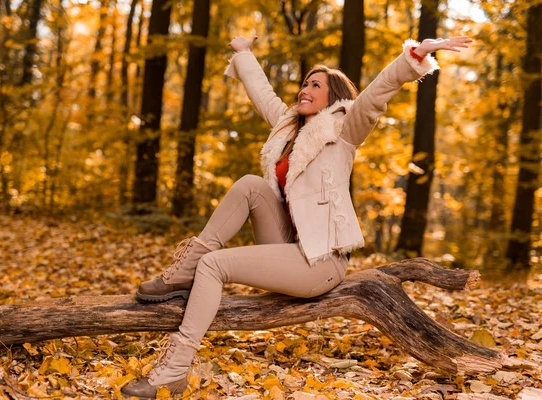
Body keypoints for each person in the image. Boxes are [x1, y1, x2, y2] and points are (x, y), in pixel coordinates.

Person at [122, 34, 473, 398]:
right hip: (289, 248)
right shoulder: (288, 129)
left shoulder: (345, 129)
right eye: (305, 82)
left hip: (321, 263)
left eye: (315, 84)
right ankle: (185, 270)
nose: (305, 88)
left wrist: (416, 53)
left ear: (333, 96)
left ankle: (174, 371)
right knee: (248, 185)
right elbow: (263, 95)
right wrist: (243, 53)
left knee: (214, 266)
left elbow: (377, 92)